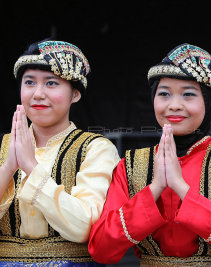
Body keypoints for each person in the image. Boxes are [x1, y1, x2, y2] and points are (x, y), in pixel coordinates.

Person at [88, 43, 211, 266]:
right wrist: (154, 189)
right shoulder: (130, 165)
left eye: (188, 94)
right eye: (164, 94)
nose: (175, 105)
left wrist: (181, 188)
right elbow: (101, 249)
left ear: (208, 101)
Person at [0, 39, 120, 265]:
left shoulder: (95, 149)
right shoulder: (4, 147)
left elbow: (84, 227)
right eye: (29, 82)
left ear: (75, 94)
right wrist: (8, 168)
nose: (37, 94)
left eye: (51, 83)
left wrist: (30, 168)